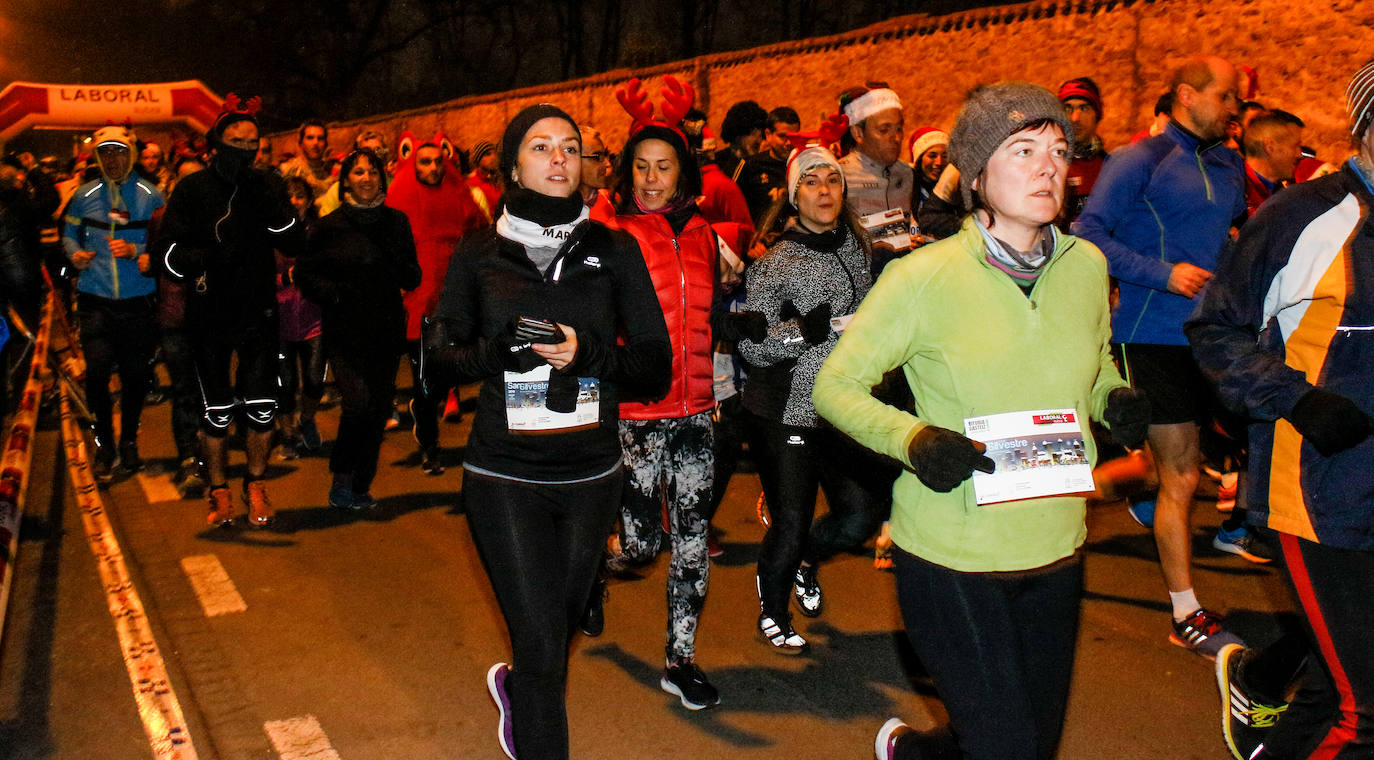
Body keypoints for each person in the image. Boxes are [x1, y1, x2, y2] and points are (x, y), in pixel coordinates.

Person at [811, 81, 1148, 760]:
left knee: (1027, 743)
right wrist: (911, 439)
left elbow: (1095, 362)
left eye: (1058, 150)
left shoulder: (1087, 266)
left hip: (1056, 544)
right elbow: (834, 385)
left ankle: (912, 753)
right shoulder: (923, 277)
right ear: (977, 173)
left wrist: (1112, 396)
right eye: (1023, 150)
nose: (1048, 165)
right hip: (951, 556)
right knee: (1007, 747)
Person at [425, 103, 670, 760]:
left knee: (553, 635)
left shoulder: (613, 249)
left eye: (570, 147)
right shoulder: (480, 252)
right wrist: (490, 354)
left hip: (590, 476)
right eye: (541, 147)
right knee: (540, 650)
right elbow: (435, 364)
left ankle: (520, 691)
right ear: (511, 164)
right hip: (504, 474)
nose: (559, 158)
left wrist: (588, 353)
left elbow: (654, 366)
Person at [1187, 58, 1374, 760]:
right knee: (1365, 714)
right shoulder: (1303, 215)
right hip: (1320, 491)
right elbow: (1216, 328)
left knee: (1337, 689)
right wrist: (1299, 399)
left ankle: (1264, 697)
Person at [1072, 56, 1248, 658]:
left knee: (1159, 468)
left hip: (1210, 336)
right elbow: (1088, 232)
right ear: (1185, 95)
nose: (1234, 109)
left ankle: (1054, 499)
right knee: (1181, 473)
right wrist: (1161, 273)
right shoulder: (1137, 160)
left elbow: (1227, 243)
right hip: (1149, 332)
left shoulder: (1229, 163)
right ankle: (1186, 610)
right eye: (1226, 97)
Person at [738, 128, 890, 654]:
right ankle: (773, 608)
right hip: (786, 409)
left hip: (842, 403)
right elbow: (752, 349)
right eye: (812, 183)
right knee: (793, 518)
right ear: (793, 196)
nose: (824, 191)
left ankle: (807, 559)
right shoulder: (774, 264)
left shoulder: (856, 243)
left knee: (861, 514)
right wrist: (806, 331)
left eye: (833, 181)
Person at [606, 76, 722, 709]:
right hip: (638, 414)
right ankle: (598, 570)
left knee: (693, 540)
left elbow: (715, 313)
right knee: (643, 544)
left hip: (698, 413)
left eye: (664, 167)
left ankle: (681, 660)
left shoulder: (704, 234)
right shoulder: (613, 234)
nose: (652, 179)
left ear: (683, 172)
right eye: (642, 168)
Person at [157, 94, 305, 527]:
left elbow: (295, 243)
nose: (245, 148)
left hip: (259, 312)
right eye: (235, 140)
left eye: (252, 141)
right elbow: (167, 255)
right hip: (208, 314)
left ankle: (255, 484)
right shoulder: (192, 189)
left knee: (262, 407)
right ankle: (218, 491)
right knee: (216, 410)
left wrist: (279, 214)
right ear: (215, 142)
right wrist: (203, 257)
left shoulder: (266, 186)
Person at [294, 148, 420, 508]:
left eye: (372, 172)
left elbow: (413, 275)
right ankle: (342, 477)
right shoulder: (329, 225)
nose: (366, 178)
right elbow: (305, 272)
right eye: (358, 172)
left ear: (382, 177)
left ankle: (361, 483)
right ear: (345, 179)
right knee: (358, 406)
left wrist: (391, 262)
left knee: (378, 409)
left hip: (385, 328)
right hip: (344, 330)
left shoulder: (396, 222)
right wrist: (332, 293)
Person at [62, 123, 164, 482]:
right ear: (97, 156)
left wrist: (137, 249)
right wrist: (75, 254)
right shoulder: (83, 195)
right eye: (106, 152)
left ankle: (130, 441)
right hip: (95, 301)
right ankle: (104, 444)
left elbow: (167, 243)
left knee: (136, 377)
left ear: (132, 154)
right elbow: (69, 233)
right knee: (98, 374)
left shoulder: (151, 195)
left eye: (120, 151)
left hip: (137, 302)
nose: (113, 159)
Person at [385, 132, 489, 473]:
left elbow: (479, 235)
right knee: (425, 380)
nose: (432, 167)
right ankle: (430, 445)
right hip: (417, 303)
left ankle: (429, 419)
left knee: (444, 378)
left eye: (436, 161)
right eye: (424, 162)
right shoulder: (399, 198)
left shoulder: (460, 197)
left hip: (454, 301)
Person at [273, 176, 324, 460]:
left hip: (314, 317)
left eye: (300, 195)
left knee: (315, 380)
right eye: (289, 196)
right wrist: (285, 277)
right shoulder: (270, 234)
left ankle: (307, 418)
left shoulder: (319, 232)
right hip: (281, 319)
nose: (295, 201)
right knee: (285, 383)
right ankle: (288, 434)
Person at [837, 82, 912, 218]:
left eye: (899, 129)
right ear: (858, 133)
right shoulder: (839, 177)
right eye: (884, 130)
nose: (897, 138)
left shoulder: (907, 174)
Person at [1057, 77, 1109, 228]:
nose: (1075, 118)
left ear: (1097, 115)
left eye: (1084, 108)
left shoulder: (1110, 167)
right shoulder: (1049, 167)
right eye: (1068, 108)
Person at [737, 106, 801, 225]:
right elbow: (736, 209)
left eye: (794, 137)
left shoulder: (805, 163)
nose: (789, 143)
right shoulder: (751, 166)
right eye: (782, 136)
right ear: (768, 134)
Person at [1241, 110, 1305, 216]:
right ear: (1270, 147)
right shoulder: (1234, 191)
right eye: (1295, 146)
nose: (1299, 155)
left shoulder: (1284, 193)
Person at [714, 99, 768, 182]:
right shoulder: (719, 163)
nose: (759, 140)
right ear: (738, 135)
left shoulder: (765, 162)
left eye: (761, 135)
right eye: (752, 133)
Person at [279, 120, 332, 200]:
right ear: (301, 143)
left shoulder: (332, 171)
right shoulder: (288, 169)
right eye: (310, 138)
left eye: (320, 138)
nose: (315, 143)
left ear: (326, 143)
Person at [907, 125, 948, 227]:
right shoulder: (904, 188)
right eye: (932, 155)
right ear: (919, 159)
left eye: (944, 156)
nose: (939, 162)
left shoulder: (955, 188)